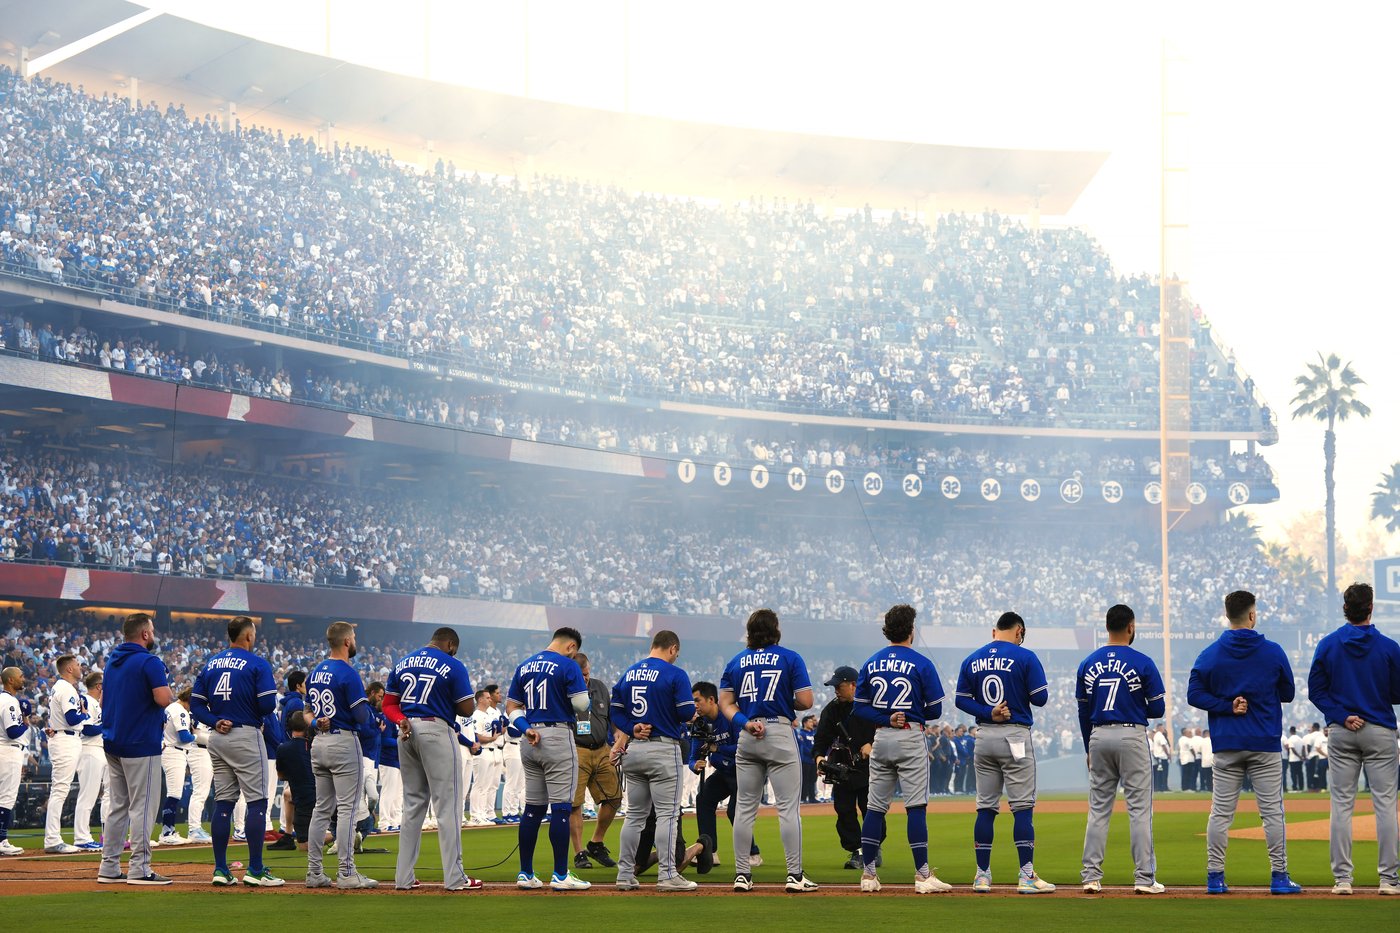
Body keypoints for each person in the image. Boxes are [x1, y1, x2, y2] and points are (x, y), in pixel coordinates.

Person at [1186, 590, 1303, 895]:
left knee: (1221, 813)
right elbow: (1288, 693)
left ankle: (1215, 877)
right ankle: (1279, 877)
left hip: (1227, 742)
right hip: (1264, 741)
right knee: (1272, 813)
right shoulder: (1273, 651)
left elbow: (1193, 695)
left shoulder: (1210, 653)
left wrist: (1226, 704)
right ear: (1252, 615)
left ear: (1228, 615)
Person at [1307, 582, 1400, 896]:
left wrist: (1342, 713)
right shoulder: (1389, 647)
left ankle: (1343, 879)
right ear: (1371, 607)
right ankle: (1388, 880)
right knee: (1385, 806)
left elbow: (1316, 690)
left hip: (1342, 730)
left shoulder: (1328, 645)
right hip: (1380, 729)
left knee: (1341, 806)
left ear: (1345, 608)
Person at [851, 603, 950, 894]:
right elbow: (934, 711)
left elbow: (859, 709)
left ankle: (868, 876)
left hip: (881, 737)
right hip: (910, 736)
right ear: (911, 630)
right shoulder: (921, 663)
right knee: (915, 807)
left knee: (874, 808)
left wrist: (885, 717)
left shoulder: (871, 662)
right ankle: (921, 876)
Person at [955, 610, 1054, 893]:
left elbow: (962, 700)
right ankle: (1026, 876)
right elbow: (1041, 698)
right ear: (1019, 631)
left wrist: (987, 711)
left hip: (984, 735)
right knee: (1022, 807)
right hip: (1015, 736)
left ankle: (982, 875)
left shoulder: (973, 658)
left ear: (994, 631)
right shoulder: (1026, 657)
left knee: (985, 806)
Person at [720, 608, 817, 894]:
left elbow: (727, 704)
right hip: (779, 730)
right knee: (788, 809)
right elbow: (806, 700)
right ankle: (795, 875)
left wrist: (745, 722)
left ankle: (741, 874)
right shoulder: (790, 657)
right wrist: (785, 701)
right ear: (776, 630)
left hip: (748, 733)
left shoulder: (736, 661)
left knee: (744, 809)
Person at [1076, 603, 1166, 894]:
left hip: (1098, 735)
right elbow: (1158, 708)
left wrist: (1088, 744)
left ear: (1107, 627)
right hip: (1131, 734)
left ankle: (1090, 876)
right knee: (1139, 810)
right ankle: (1144, 878)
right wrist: (1133, 701)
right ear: (1131, 627)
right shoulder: (1143, 661)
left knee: (1098, 810)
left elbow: (1083, 710)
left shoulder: (1088, 663)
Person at [382, 625, 479, 891]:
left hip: (406, 729)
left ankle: (403, 878)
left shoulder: (403, 662)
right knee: (447, 805)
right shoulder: (452, 663)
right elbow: (467, 707)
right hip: (436, 729)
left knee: (413, 805)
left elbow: (388, 704)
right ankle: (455, 877)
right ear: (450, 645)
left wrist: (401, 720)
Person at [190, 615, 282, 887]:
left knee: (224, 803)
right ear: (249, 636)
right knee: (256, 802)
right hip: (246, 735)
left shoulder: (210, 664)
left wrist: (214, 720)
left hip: (217, 735)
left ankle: (220, 869)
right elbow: (267, 706)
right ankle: (254, 869)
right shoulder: (257, 663)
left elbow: (195, 706)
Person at [609, 630, 698, 892]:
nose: (676, 658)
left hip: (634, 749)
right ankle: (667, 874)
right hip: (663, 749)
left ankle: (625, 874)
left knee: (634, 816)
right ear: (672, 648)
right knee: (667, 816)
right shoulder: (675, 674)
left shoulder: (629, 672)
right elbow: (685, 711)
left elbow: (615, 711)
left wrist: (632, 727)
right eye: (676, 654)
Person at [506, 626, 592, 891]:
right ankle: (560, 874)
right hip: (557, 735)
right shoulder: (568, 665)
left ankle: (526, 873)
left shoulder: (525, 665)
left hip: (530, 737)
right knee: (562, 807)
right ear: (571, 647)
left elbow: (511, 706)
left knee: (533, 807)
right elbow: (581, 705)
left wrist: (526, 728)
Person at [98, 611, 174, 885]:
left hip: (113, 741)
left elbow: (104, 699)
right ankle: (140, 868)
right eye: (151, 630)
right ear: (144, 634)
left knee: (118, 806)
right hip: (141, 742)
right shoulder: (149, 661)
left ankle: (108, 866)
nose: (153, 634)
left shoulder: (111, 662)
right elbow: (164, 698)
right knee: (142, 806)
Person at [304, 621, 380, 889]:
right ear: (347, 641)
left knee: (321, 809)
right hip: (344, 742)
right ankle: (347, 872)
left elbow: (307, 713)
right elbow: (360, 715)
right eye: (354, 637)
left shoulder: (315, 672)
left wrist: (315, 724)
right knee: (347, 809)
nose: (356, 640)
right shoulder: (348, 673)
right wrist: (370, 713)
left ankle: (314, 873)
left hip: (319, 742)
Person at [690, 680, 763, 870]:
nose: (695, 705)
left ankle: (753, 853)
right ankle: (709, 852)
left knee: (734, 811)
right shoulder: (700, 724)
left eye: (698, 700)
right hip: (724, 772)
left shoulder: (730, 716)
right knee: (704, 798)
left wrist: (717, 748)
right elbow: (693, 755)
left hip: (743, 771)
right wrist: (695, 765)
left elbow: (742, 747)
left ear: (712, 699)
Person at [813, 666, 876, 870]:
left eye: (839, 686)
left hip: (870, 767)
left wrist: (873, 744)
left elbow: (887, 728)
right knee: (844, 810)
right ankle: (857, 850)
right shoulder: (831, 709)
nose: (836, 691)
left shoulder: (872, 704)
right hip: (843, 767)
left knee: (872, 811)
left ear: (853, 685)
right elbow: (821, 738)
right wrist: (819, 757)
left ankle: (872, 847)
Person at [570, 652, 620, 870]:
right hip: (576, 749)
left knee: (614, 797)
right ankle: (579, 852)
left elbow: (611, 717)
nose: (586, 678)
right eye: (581, 675)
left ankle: (596, 842)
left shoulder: (599, 687)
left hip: (602, 749)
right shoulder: (564, 689)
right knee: (575, 805)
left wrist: (618, 734)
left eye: (588, 673)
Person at [44, 654, 89, 853]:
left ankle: (54, 838)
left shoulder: (59, 687)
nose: (80, 667)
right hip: (65, 739)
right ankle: (53, 839)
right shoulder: (66, 688)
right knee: (60, 789)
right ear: (69, 669)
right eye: (77, 664)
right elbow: (72, 718)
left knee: (60, 789)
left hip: (65, 738)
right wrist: (85, 714)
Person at [156, 686, 197, 845]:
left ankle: (169, 830)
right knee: (173, 794)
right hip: (174, 751)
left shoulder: (171, 707)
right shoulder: (180, 710)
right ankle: (167, 832)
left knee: (173, 794)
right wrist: (196, 736)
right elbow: (184, 736)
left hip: (170, 749)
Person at [72, 671, 107, 850]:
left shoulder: (96, 703)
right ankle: (81, 837)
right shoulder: (86, 700)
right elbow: (87, 730)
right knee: (87, 796)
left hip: (98, 750)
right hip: (89, 750)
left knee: (91, 796)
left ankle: (84, 835)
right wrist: (106, 724)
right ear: (99, 686)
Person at [273, 710, 315, 850]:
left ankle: (341, 835)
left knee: (304, 846)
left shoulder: (283, 748)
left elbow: (281, 776)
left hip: (306, 799)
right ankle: (288, 835)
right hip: (320, 794)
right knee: (287, 794)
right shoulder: (313, 745)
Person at [0, 666, 30, 855]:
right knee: (7, 796)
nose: (23, 679)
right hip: (9, 751)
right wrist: (25, 723)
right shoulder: (9, 701)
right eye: (20, 676)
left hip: (3, 750)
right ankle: (2, 840)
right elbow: (13, 732)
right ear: (10, 680)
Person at [797, 715, 818, 804]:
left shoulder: (814, 733)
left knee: (813, 780)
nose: (812, 723)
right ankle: (803, 798)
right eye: (809, 722)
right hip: (806, 760)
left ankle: (812, 797)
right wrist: (813, 753)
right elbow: (803, 747)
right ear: (805, 723)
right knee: (805, 780)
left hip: (814, 760)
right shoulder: (801, 733)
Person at [1285, 727, 1305, 791]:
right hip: (1299, 760)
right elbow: (1303, 747)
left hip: (1293, 759)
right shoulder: (1300, 739)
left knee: (1293, 774)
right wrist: (1302, 756)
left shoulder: (1290, 739)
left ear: (1290, 731)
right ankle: (1301, 787)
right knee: (1300, 774)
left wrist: (1299, 756)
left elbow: (1292, 749)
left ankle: (1295, 787)